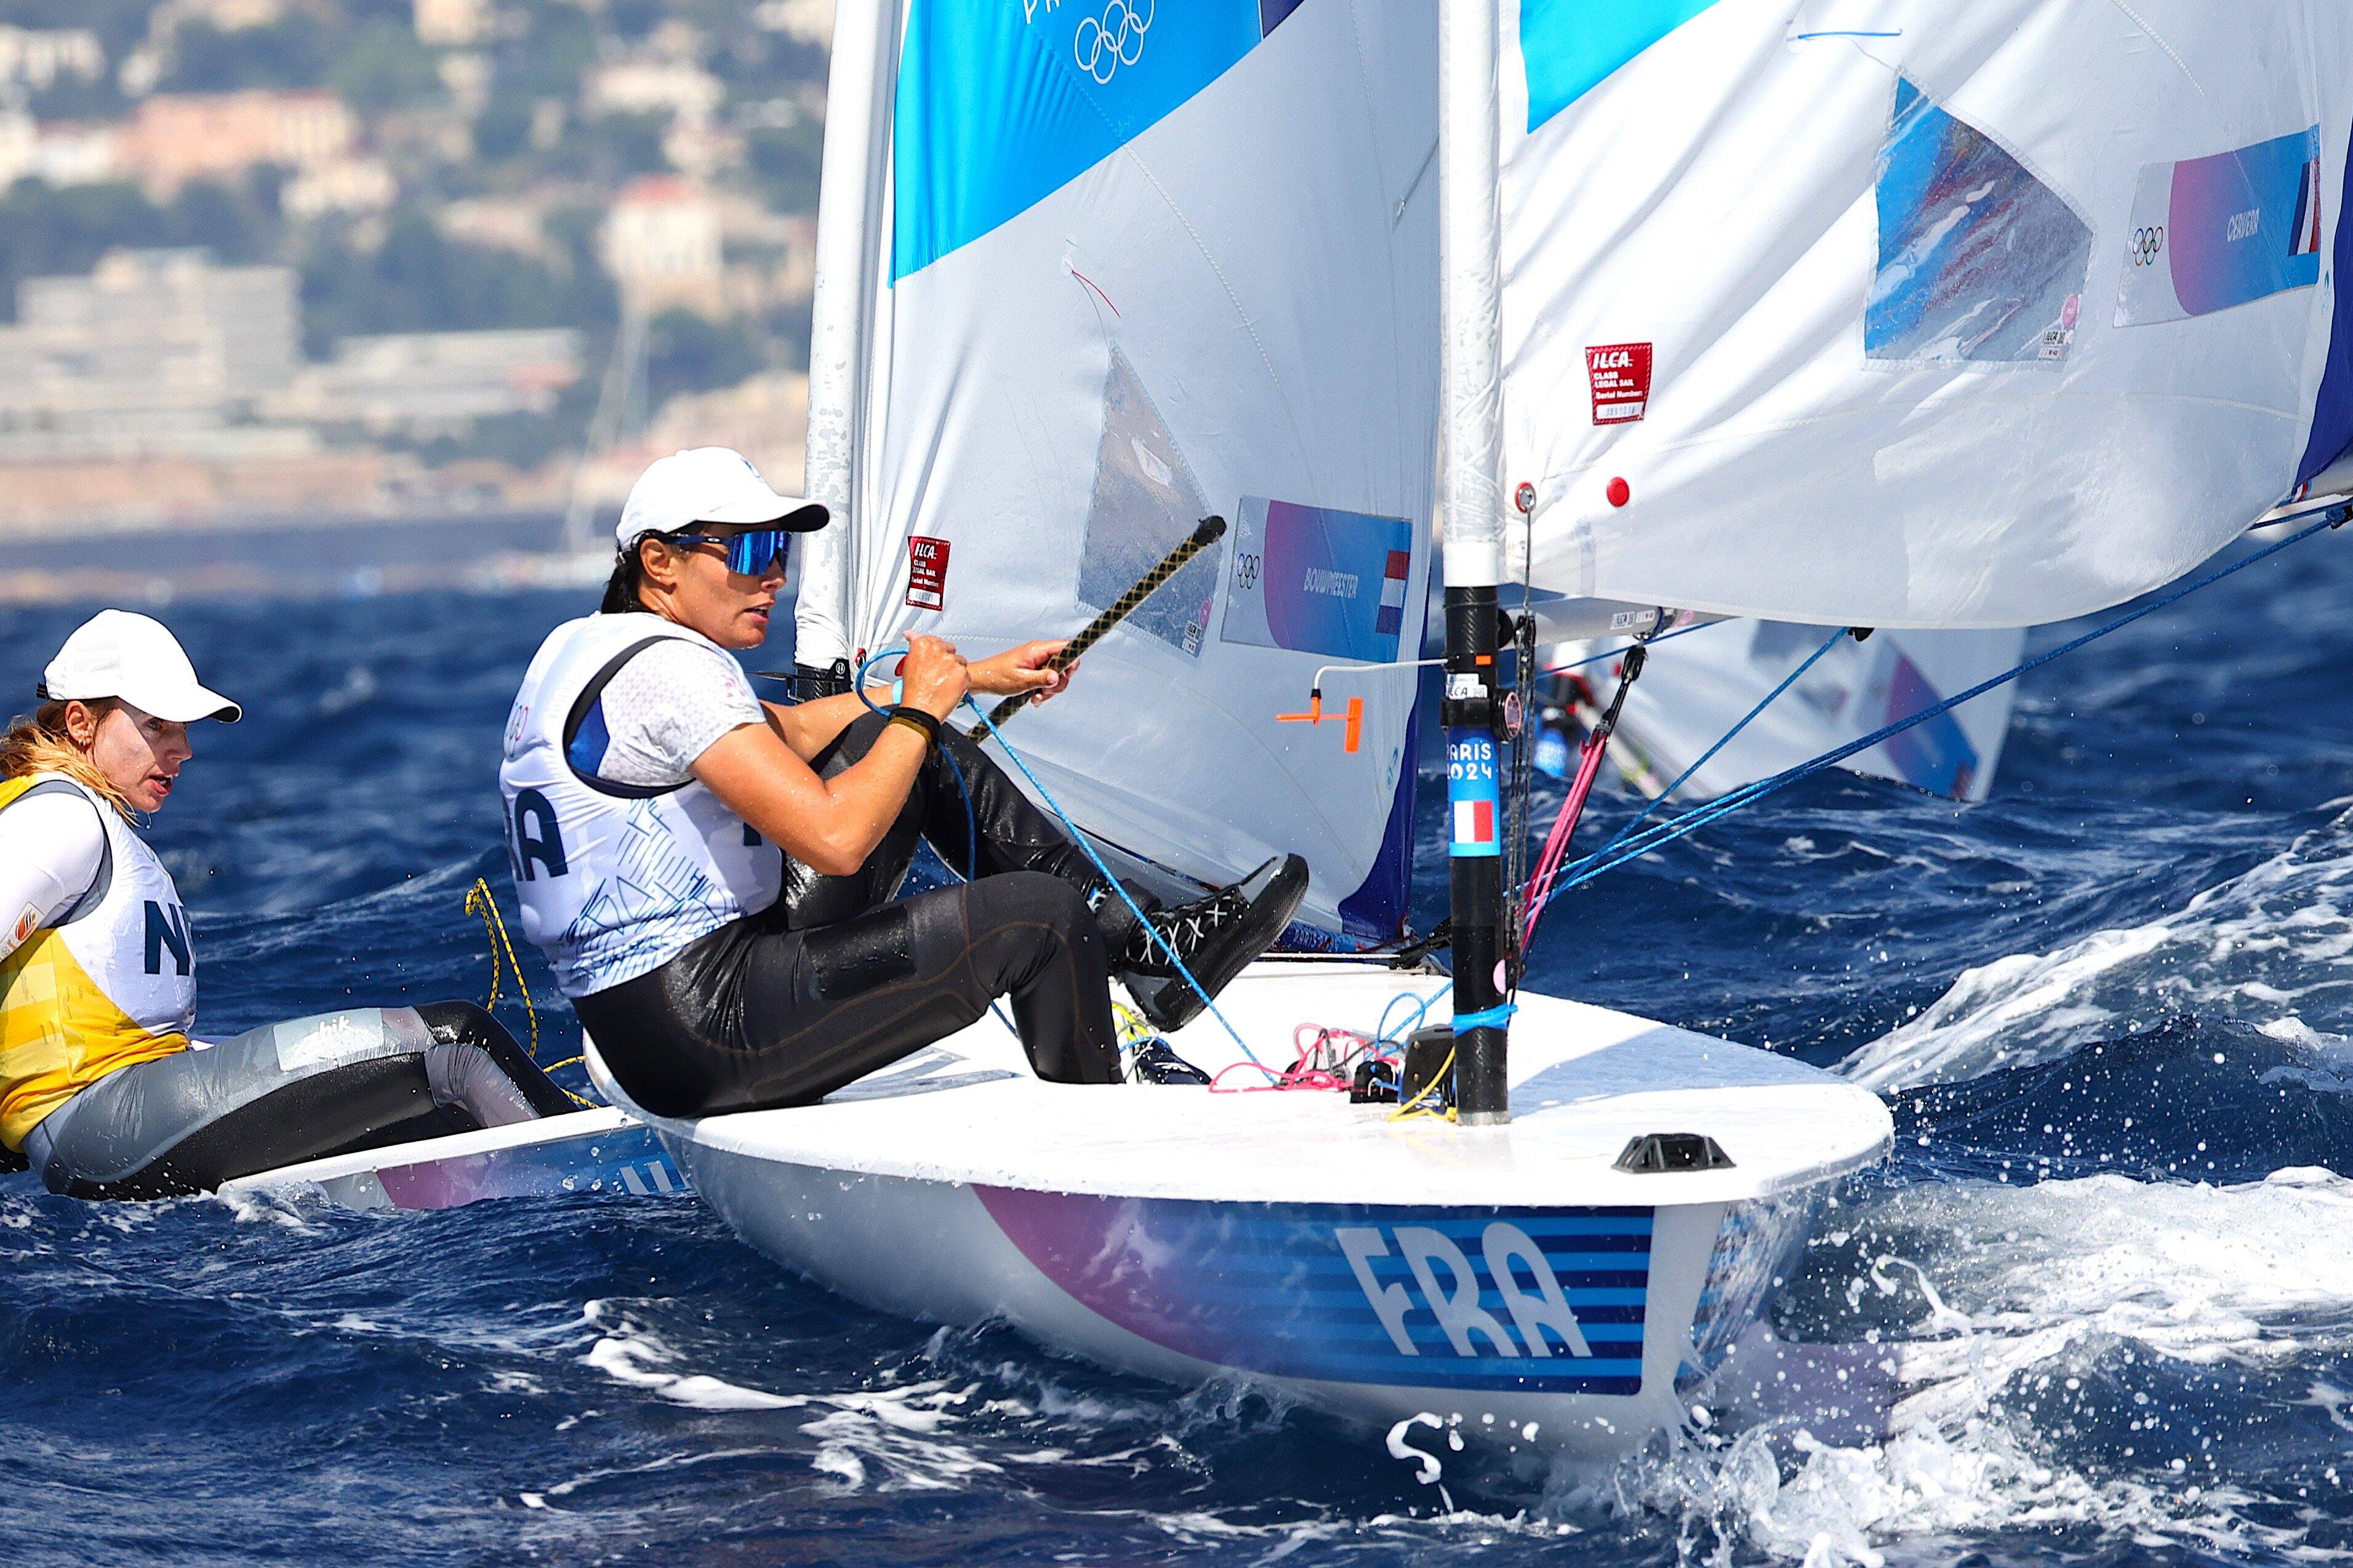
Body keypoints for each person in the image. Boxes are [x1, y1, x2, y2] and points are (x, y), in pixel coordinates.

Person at [499, 446, 1307, 1119]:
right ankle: (1105, 1148)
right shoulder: (672, 672)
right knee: (1038, 918)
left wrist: (966, 683)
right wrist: (920, 710)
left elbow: (792, 730)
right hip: (707, 1027)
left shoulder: (589, 648)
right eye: (747, 553)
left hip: (653, 1022)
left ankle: (1140, 942)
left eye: (780, 552)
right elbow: (836, 841)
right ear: (659, 561)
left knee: (904, 747)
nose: (772, 576)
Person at [0, 610, 575, 1200]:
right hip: (102, 1125)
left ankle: (515, 1193)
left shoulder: (89, 822)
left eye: (184, 729)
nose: (184, 750)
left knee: (438, 1116)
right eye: (157, 727)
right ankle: (590, 1174)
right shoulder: (60, 818)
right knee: (457, 1045)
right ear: (81, 723)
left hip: (112, 1125)